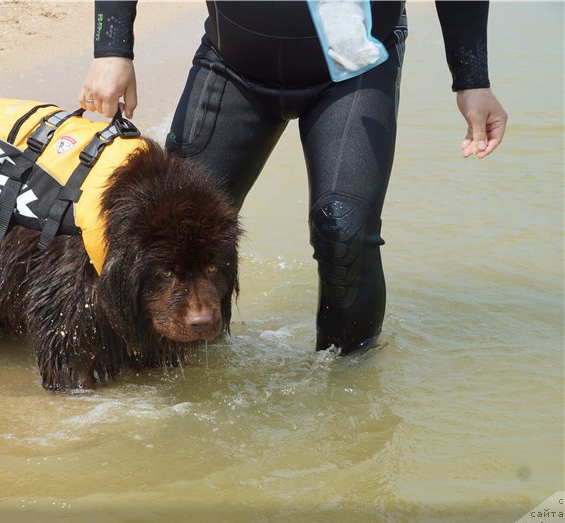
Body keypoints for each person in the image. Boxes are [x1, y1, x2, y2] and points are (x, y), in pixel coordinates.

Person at [79, 1, 507, 354]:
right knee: (166, 232)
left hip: (356, 68)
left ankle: (348, 396)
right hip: (234, 64)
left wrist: (472, 79)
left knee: (345, 230)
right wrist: (111, 48)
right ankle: (151, 369)